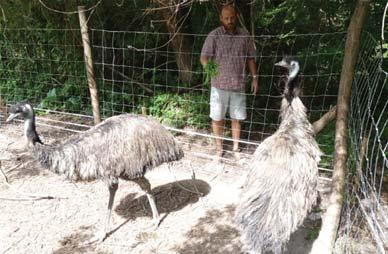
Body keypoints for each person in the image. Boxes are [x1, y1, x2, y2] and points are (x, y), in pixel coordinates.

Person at [200, 4, 258, 160]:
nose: (229, 20)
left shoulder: (245, 36)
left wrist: (254, 78)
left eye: (232, 17)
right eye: (226, 18)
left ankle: (235, 147)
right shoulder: (214, 36)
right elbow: (204, 57)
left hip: (238, 85)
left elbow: (251, 58)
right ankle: (219, 149)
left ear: (236, 16)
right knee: (217, 118)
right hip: (218, 86)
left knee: (236, 118)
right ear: (221, 18)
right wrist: (211, 71)